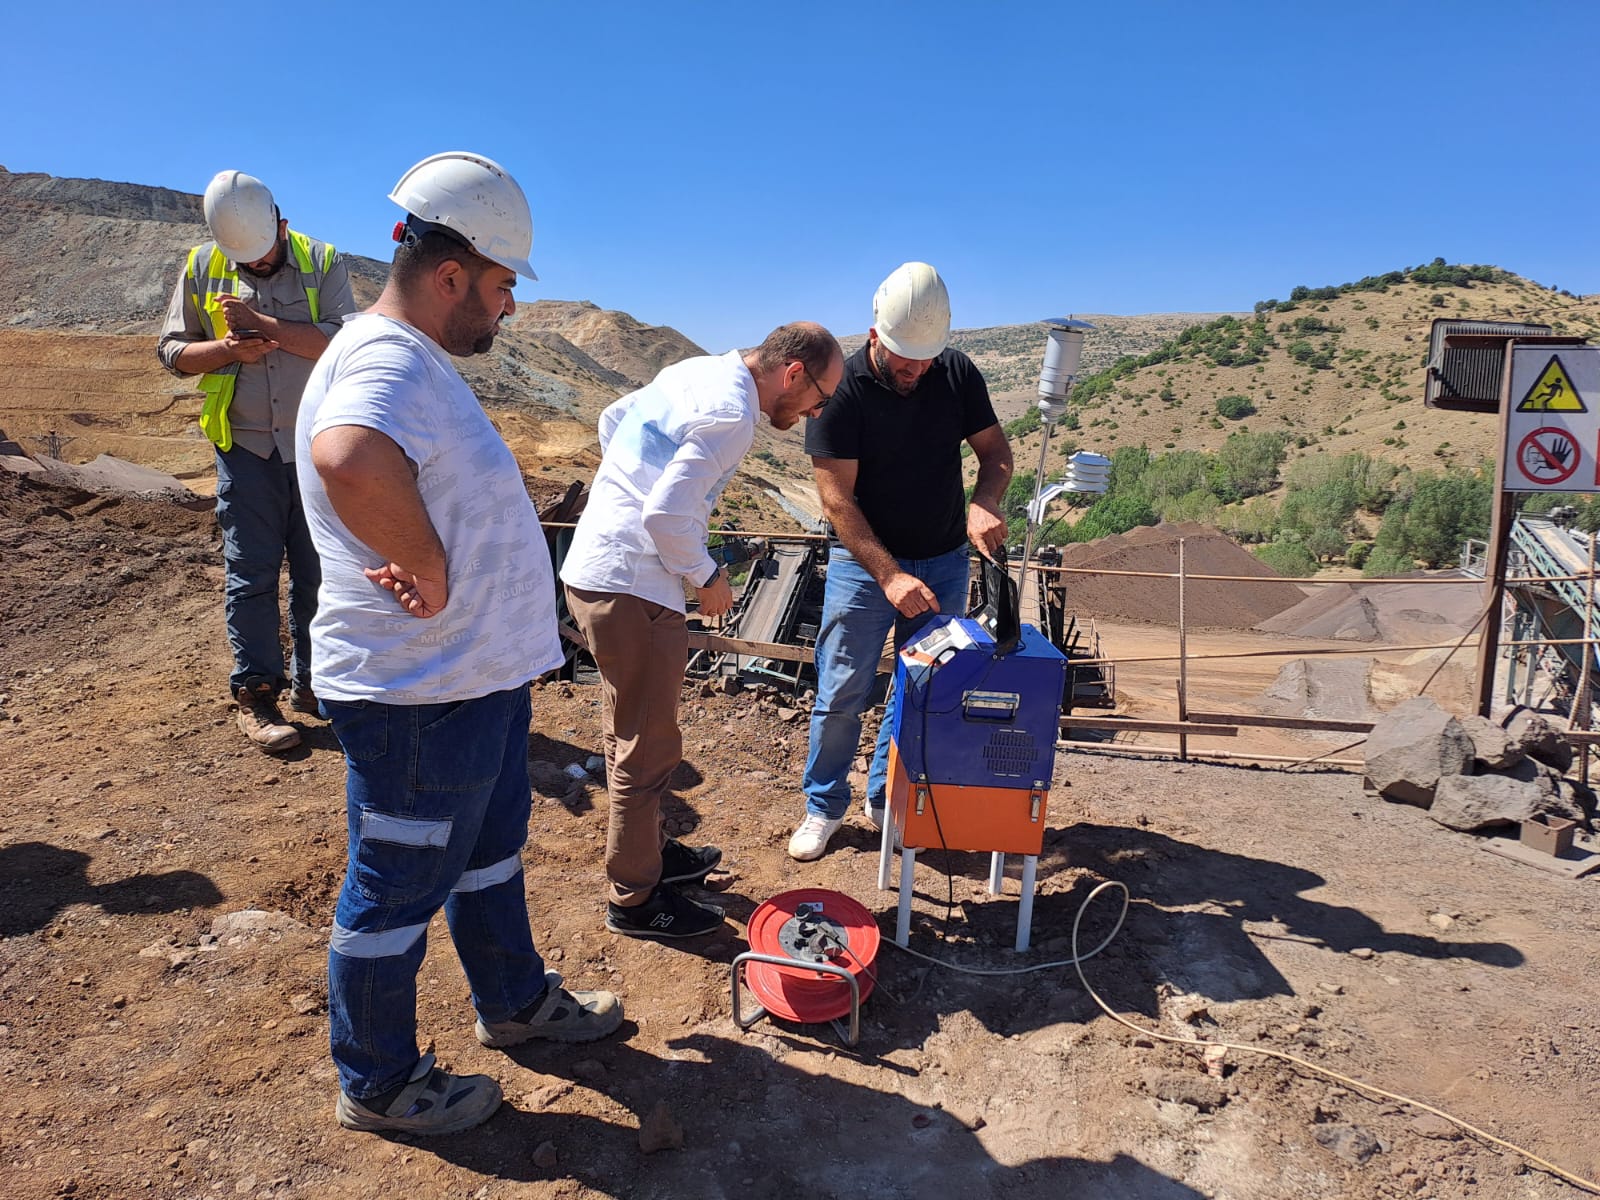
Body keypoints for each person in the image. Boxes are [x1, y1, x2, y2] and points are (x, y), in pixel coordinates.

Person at [296, 152, 622, 1137]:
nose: (510, 306)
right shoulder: (387, 359)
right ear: (449, 276)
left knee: (488, 857)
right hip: (418, 696)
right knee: (393, 890)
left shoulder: (405, 357)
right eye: (502, 285)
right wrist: (429, 568)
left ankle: (514, 1002)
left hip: (468, 685)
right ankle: (379, 1082)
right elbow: (348, 457)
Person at [562, 323, 843, 936]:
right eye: (818, 398)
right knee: (649, 744)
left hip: (601, 570)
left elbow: (614, 419)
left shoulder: (696, 372)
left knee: (627, 728)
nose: (816, 411)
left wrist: (622, 495)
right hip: (632, 585)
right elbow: (665, 513)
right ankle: (635, 900)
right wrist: (707, 575)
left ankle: (649, 854)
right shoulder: (731, 413)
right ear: (793, 373)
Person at [790, 262, 1013, 861]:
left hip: (942, 559)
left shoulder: (955, 372)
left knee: (923, 687)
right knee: (842, 688)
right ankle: (823, 805)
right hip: (863, 565)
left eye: (925, 360)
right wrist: (889, 575)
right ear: (874, 338)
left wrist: (984, 502)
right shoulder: (842, 387)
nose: (916, 371)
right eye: (903, 360)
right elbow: (836, 500)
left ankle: (889, 793)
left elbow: (995, 453)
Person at [158, 170, 356, 753]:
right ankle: (257, 692)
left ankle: (317, 685)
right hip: (244, 446)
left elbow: (344, 341)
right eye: (243, 260)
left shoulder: (322, 261)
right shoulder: (201, 266)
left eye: (263, 257)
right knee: (252, 575)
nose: (255, 266)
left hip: (314, 446)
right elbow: (172, 352)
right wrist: (226, 350)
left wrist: (263, 326)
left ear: (283, 227)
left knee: (319, 573)